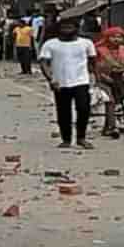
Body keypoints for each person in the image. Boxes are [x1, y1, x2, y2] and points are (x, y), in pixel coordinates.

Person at [40, 19, 97, 150]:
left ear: (76, 28)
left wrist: (95, 78)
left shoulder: (86, 43)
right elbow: (44, 63)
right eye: (64, 27)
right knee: (63, 111)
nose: (67, 30)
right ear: (58, 29)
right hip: (60, 83)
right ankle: (66, 139)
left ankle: (81, 138)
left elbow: (93, 61)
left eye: (70, 27)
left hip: (81, 81)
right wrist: (51, 79)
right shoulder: (50, 44)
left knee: (83, 109)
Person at [94, 27, 124, 138]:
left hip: (121, 79)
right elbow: (94, 66)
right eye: (113, 37)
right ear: (107, 37)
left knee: (120, 102)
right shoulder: (99, 50)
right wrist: (100, 77)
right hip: (104, 79)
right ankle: (112, 127)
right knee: (110, 101)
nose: (116, 39)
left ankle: (109, 127)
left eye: (119, 37)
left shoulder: (123, 49)